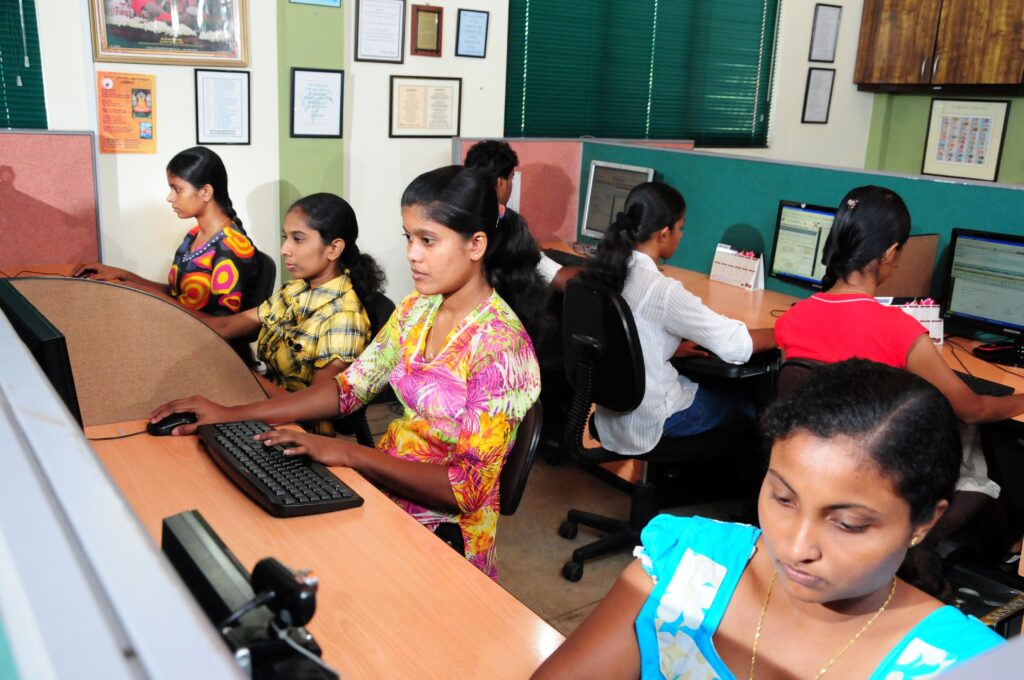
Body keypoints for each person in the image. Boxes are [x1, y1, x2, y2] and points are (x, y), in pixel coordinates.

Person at [149, 166, 545, 579]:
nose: (412, 253)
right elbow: (348, 390)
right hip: (382, 494)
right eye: (409, 237)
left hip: (444, 539)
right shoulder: (418, 309)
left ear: (476, 244)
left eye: (428, 240)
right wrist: (230, 413)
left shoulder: (500, 348)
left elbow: (466, 489)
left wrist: (349, 453)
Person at [533, 360, 1004, 679]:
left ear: (924, 521)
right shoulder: (684, 568)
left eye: (848, 524)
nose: (796, 546)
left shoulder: (960, 663)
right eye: (782, 497)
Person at [775, 185, 1024, 587]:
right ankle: (986, 556)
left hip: (814, 467)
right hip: (878, 470)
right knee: (978, 439)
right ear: (890, 254)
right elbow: (972, 408)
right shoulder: (898, 330)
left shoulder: (794, 318)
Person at [581, 181, 776, 456]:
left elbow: (629, 334)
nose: (682, 235)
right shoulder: (663, 290)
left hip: (612, 415)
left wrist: (670, 348)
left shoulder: (605, 270)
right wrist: (783, 329)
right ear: (663, 233)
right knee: (748, 402)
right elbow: (736, 345)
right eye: (680, 228)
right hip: (651, 420)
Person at [203, 193, 385, 432]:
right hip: (263, 407)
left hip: (299, 431)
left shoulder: (344, 317)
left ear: (334, 249)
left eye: (298, 239)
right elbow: (226, 326)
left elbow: (311, 411)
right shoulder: (296, 290)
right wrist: (169, 320)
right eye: (285, 237)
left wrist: (244, 377)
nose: (284, 249)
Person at [73, 146, 259, 317]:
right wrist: (123, 276)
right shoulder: (194, 235)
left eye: (177, 189)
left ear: (206, 192)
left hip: (209, 345)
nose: (170, 197)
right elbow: (177, 295)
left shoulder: (231, 248)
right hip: (183, 331)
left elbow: (221, 324)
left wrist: (141, 293)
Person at [464, 140, 579, 291]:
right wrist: (606, 271)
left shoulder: (457, 216)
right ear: (501, 183)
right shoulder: (507, 226)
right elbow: (560, 279)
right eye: (511, 178)